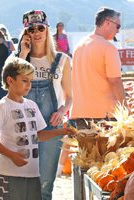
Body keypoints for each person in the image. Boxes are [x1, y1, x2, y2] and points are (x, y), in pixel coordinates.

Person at [0, 57, 76, 200]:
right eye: (24, 80)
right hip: (10, 173)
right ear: (10, 80)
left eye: (30, 81)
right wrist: (12, 155)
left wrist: (62, 131)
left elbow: (38, 135)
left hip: (33, 173)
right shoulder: (1, 107)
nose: (29, 85)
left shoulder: (31, 105)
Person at [69, 7, 127, 200]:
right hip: (104, 117)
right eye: (118, 26)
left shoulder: (80, 45)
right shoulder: (107, 47)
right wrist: (125, 110)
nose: (118, 30)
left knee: (85, 165)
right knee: (107, 170)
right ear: (107, 22)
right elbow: (115, 81)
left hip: (79, 113)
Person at [18, 10, 72, 200]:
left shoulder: (62, 60)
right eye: (31, 29)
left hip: (51, 126)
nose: (37, 32)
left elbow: (70, 96)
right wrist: (22, 54)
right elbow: (6, 86)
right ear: (26, 34)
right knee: (22, 184)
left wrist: (63, 110)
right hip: (22, 128)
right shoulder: (19, 60)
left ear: (47, 30)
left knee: (45, 185)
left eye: (41, 27)